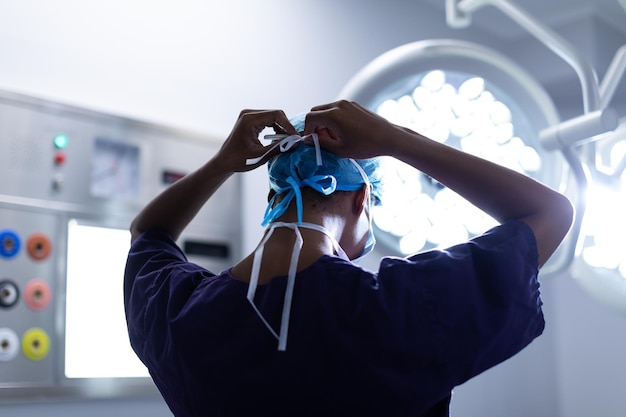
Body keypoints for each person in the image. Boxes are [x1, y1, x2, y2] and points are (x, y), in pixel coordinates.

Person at [124, 100, 573, 417]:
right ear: (363, 200)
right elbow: (551, 212)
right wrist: (397, 140)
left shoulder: (179, 313)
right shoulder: (404, 306)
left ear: (272, 196)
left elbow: (148, 231)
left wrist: (222, 162)